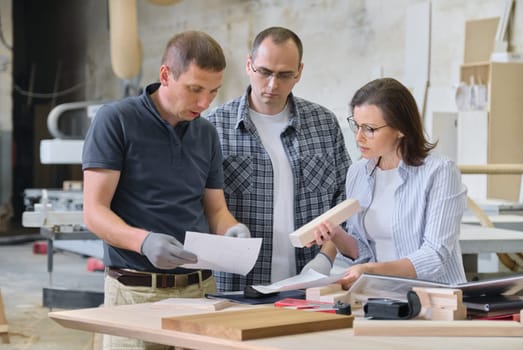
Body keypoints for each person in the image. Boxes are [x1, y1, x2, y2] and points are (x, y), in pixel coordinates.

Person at [82, 31, 250, 350]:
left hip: (199, 292)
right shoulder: (116, 120)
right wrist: (143, 242)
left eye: (213, 92)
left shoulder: (206, 132)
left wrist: (232, 230)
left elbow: (215, 209)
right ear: (165, 75)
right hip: (134, 291)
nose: (204, 103)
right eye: (195, 89)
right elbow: (94, 212)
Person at [205, 26, 351, 292]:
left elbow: (345, 200)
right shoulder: (214, 127)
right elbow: (202, 203)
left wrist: (325, 257)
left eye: (284, 75)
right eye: (265, 72)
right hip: (236, 286)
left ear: (299, 73)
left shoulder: (323, 124)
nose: (273, 85)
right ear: (249, 65)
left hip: (308, 282)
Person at [310, 77, 467, 290]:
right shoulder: (358, 173)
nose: (358, 137)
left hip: (433, 302)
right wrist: (336, 235)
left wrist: (372, 270)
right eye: (356, 125)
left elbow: (434, 256)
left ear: (401, 129)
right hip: (380, 298)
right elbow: (363, 253)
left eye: (370, 129)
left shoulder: (439, 172)